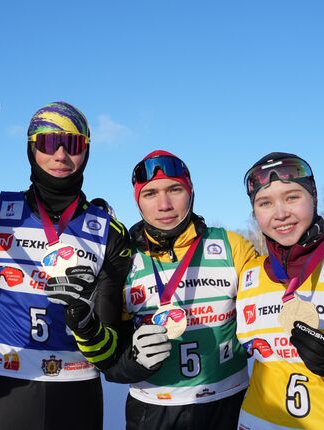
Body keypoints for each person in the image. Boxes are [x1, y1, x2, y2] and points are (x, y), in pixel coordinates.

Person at [0, 101, 132, 430]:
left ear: (85, 151)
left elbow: (109, 350)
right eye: (47, 142)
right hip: (2, 386)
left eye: (72, 144)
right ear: (31, 149)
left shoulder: (108, 231)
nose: (60, 155)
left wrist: (86, 325)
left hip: (76, 390)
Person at [104, 150, 255, 430]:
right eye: (150, 194)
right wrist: (134, 362)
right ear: (137, 201)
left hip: (229, 404)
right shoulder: (123, 258)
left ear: (191, 192)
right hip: (154, 409)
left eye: (175, 190)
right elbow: (108, 360)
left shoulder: (232, 247)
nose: (164, 204)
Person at [236, 152, 324, 429]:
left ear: (313, 198)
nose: (280, 214)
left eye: (292, 197)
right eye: (265, 203)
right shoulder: (247, 274)